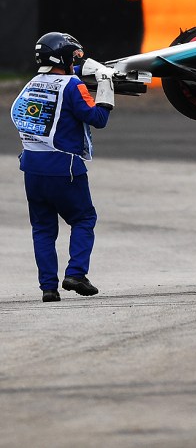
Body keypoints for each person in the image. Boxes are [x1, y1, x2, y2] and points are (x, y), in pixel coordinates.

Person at [10, 32, 116, 302]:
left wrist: (84, 68)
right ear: (64, 56)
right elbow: (98, 118)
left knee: (43, 228)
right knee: (83, 219)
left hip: (31, 167)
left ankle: (48, 287)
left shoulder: (33, 83)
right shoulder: (72, 86)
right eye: (74, 55)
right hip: (64, 166)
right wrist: (105, 86)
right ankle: (76, 273)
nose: (76, 59)